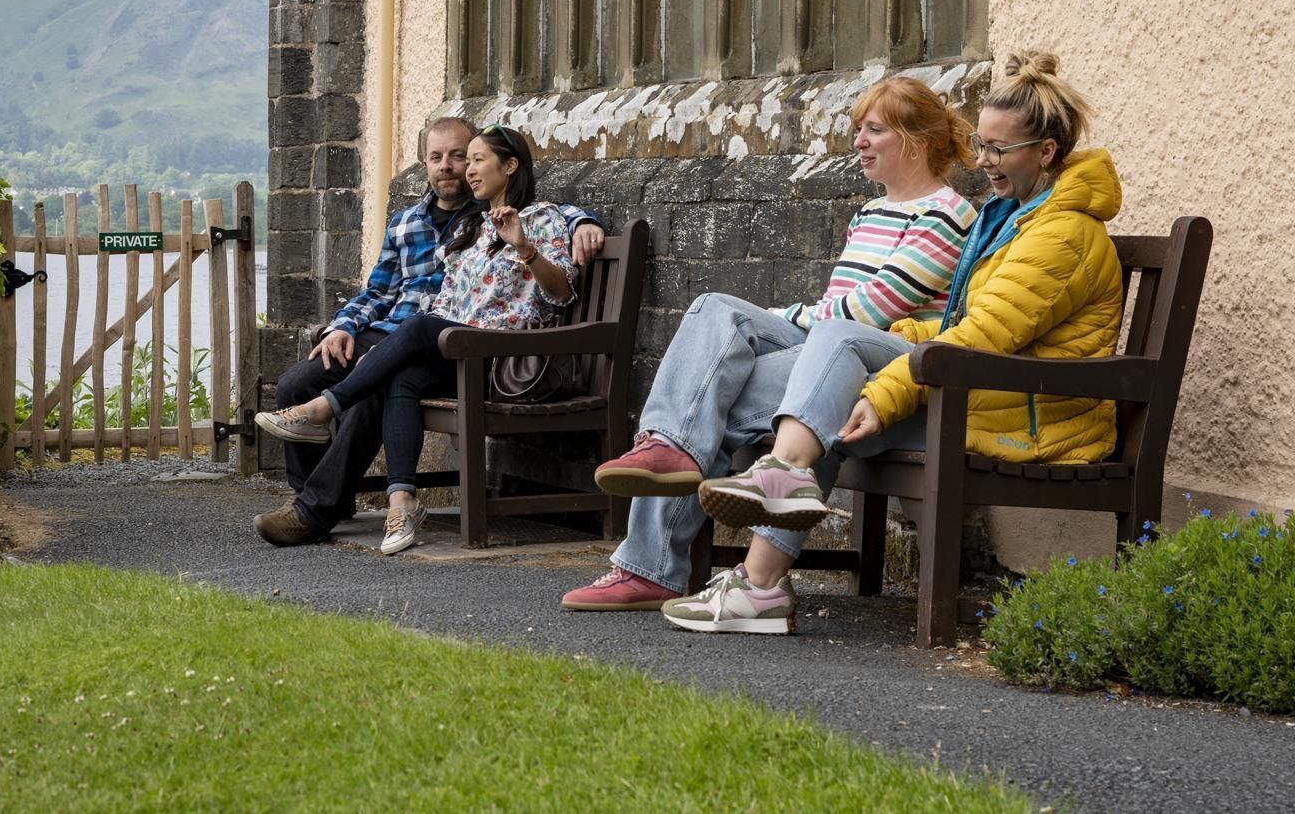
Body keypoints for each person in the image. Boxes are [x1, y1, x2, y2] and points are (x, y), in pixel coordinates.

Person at [659, 50, 1125, 634]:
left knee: (828, 379)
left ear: (1047, 153)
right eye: (980, 145)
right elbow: (971, 321)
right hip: (983, 388)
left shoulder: (1063, 233)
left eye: (997, 150)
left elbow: (983, 338)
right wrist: (907, 337)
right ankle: (767, 544)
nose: (982, 162)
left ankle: (757, 560)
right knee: (820, 399)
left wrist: (885, 392)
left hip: (1026, 412)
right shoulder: (1017, 217)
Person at [560, 75, 978, 620]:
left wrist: (784, 316)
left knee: (710, 397)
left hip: (881, 375)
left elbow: (865, 314)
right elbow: (834, 311)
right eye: (858, 130)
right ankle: (668, 452)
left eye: (873, 130)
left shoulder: (946, 215)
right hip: (830, 352)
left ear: (915, 141)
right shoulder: (872, 213)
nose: (858, 142)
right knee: (714, 308)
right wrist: (796, 319)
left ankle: (650, 561)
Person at [251, 118, 603, 551]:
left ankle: (320, 451)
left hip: (490, 348)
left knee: (396, 356)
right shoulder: (456, 229)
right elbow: (389, 292)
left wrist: (566, 228)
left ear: (507, 166)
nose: (457, 168)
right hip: (427, 340)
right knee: (313, 380)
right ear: (424, 164)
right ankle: (385, 502)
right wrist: (344, 327)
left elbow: (561, 280)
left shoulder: (522, 217)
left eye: (469, 158)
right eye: (441, 158)